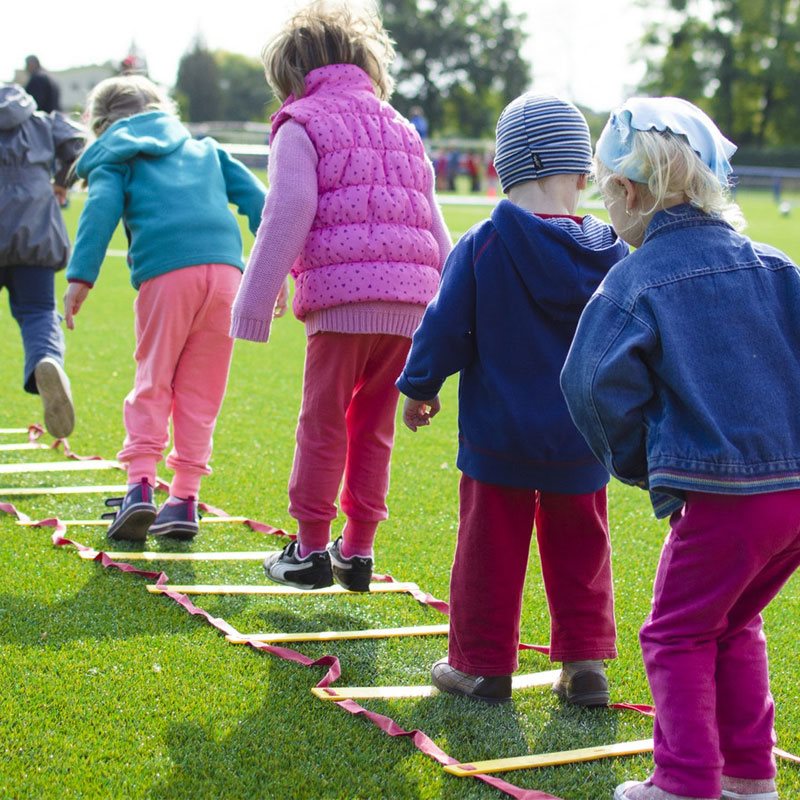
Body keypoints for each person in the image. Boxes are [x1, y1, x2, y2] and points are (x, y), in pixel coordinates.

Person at [560, 97, 800, 800]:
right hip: (794, 497)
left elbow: (588, 383)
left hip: (723, 500)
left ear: (628, 193)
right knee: (732, 623)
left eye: (610, 194)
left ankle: (686, 784)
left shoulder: (634, 280)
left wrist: (641, 463)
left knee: (676, 635)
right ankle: (749, 778)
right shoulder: (778, 267)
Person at [397, 93, 628, 705]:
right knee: (582, 549)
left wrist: (420, 386)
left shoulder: (482, 244)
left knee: (487, 551)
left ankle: (482, 664)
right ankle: (585, 665)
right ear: (582, 173)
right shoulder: (614, 252)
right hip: (583, 438)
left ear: (500, 170)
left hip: (497, 438)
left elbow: (444, 326)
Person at [230, 0, 451, 592]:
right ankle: (356, 550)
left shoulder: (300, 123)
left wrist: (257, 296)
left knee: (322, 421)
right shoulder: (402, 127)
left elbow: (290, 208)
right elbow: (435, 224)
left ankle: (307, 550)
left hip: (342, 302)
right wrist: (453, 314)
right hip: (412, 305)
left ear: (290, 73)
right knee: (373, 425)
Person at [63, 75, 266, 542]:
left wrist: (81, 277)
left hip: (167, 273)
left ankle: (139, 488)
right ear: (162, 108)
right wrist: (276, 268)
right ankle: (184, 500)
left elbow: (101, 210)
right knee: (202, 391)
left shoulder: (117, 156)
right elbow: (262, 202)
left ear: (101, 124)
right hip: (226, 276)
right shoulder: (206, 149)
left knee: (154, 378)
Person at [0, 83, 84, 439]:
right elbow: (82, 148)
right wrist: (62, 181)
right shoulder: (44, 123)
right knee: (37, 312)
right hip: (34, 228)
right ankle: (45, 361)